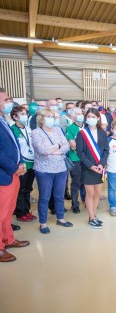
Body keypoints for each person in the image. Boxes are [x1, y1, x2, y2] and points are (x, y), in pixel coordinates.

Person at [32, 108, 73, 234]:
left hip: (61, 169)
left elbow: (66, 146)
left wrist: (56, 149)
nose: (52, 119)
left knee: (59, 196)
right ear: (41, 118)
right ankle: (43, 223)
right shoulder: (36, 133)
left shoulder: (58, 130)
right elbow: (42, 150)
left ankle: (60, 218)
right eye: (48, 116)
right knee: (44, 197)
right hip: (44, 170)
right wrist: (58, 147)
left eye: (52, 116)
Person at [0, 88, 30, 262]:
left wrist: (19, 164)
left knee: (8, 211)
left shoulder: (4, 119)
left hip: (13, 173)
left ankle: (8, 239)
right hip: (4, 174)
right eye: (6, 99)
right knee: (1, 213)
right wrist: (13, 168)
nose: (9, 103)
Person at [76, 108, 109, 229]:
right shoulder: (82, 133)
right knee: (89, 193)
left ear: (98, 118)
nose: (91, 119)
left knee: (98, 193)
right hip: (87, 168)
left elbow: (106, 150)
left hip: (101, 168)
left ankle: (93, 215)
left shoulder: (102, 133)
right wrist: (91, 166)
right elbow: (80, 153)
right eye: (88, 116)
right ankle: (91, 217)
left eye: (93, 117)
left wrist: (101, 164)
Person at [10, 106, 37, 222]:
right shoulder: (13, 130)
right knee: (21, 189)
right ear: (15, 117)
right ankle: (20, 213)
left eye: (25, 113)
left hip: (32, 162)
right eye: (22, 114)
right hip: (22, 164)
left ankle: (26, 210)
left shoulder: (28, 128)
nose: (25, 116)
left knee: (28, 188)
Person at [66, 107, 85, 214]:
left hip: (86, 160)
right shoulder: (70, 128)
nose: (81, 115)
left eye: (81, 113)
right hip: (75, 159)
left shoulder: (86, 128)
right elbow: (73, 145)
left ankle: (86, 200)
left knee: (86, 181)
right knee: (76, 183)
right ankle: (75, 204)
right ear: (73, 117)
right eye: (78, 114)